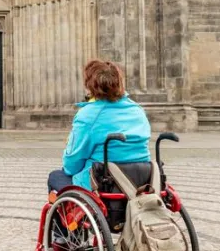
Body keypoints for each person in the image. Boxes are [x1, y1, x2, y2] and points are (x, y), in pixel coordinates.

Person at [47, 59, 151, 197]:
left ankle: (69, 218)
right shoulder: (138, 110)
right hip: (140, 181)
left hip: (103, 184)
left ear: (90, 86)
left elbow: (72, 164)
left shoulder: (88, 115)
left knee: (56, 177)